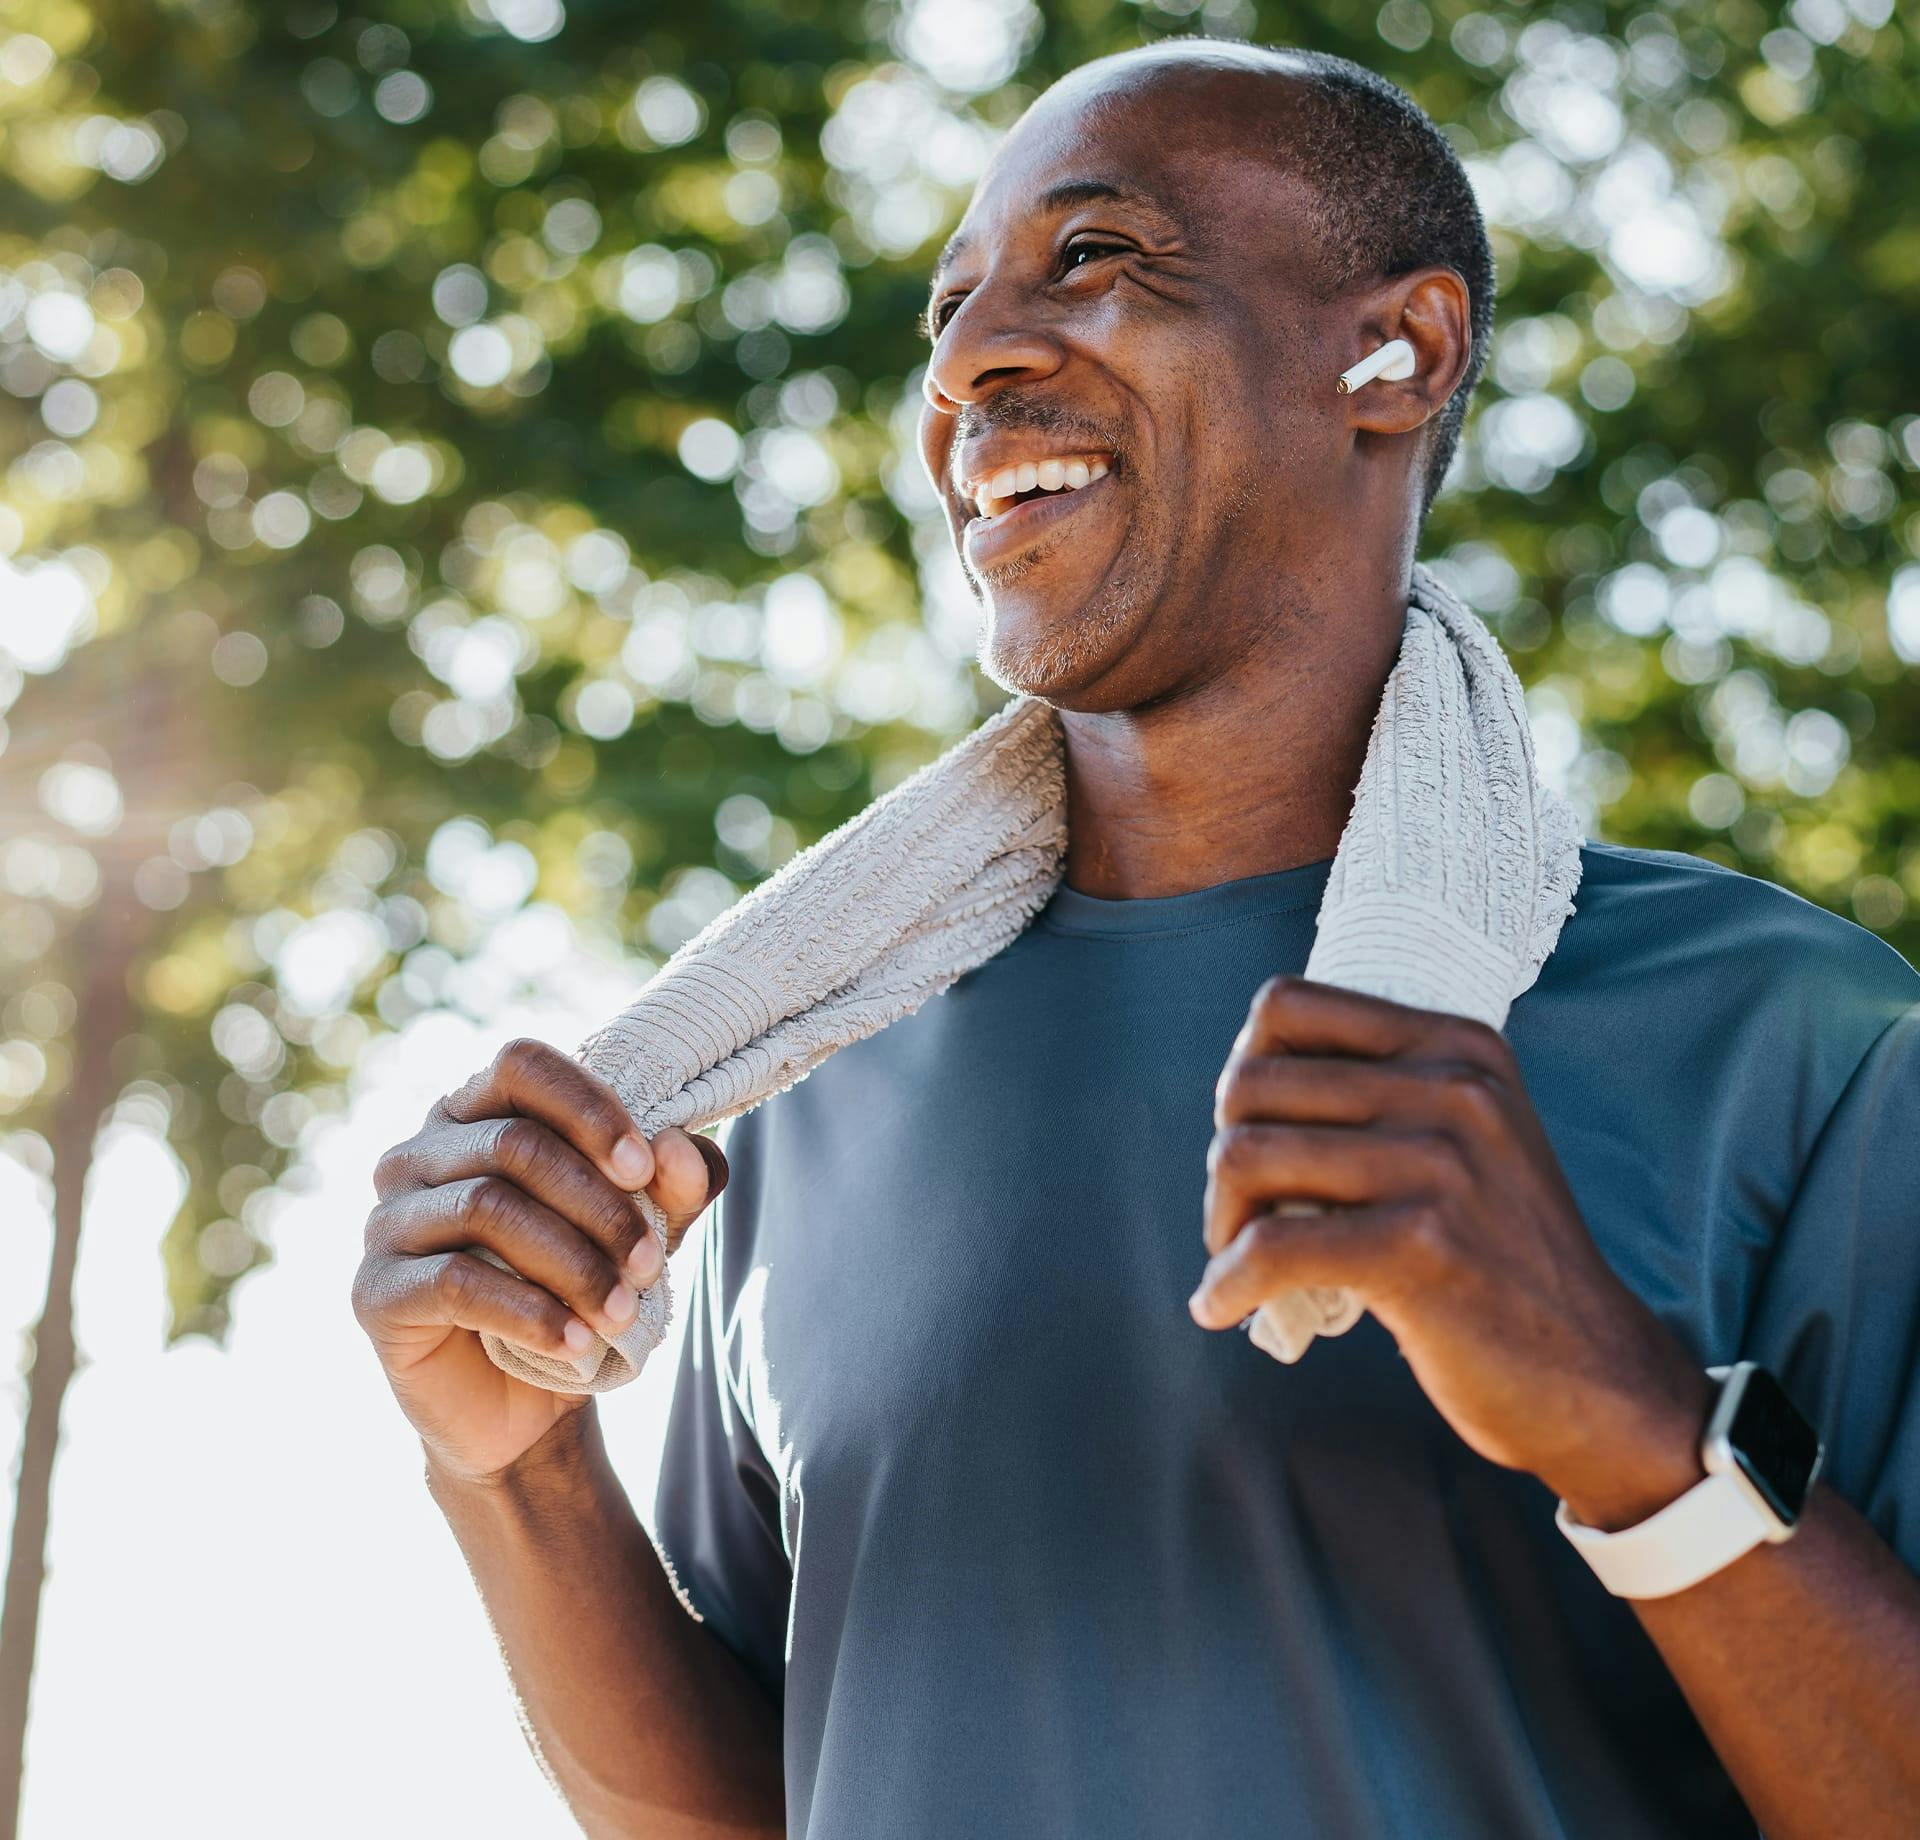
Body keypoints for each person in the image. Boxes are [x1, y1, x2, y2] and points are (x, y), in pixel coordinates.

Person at [351, 39, 1920, 1839]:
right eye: (948, 311)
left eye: (1094, 259)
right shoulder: (795, 1085)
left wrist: (1635, 1424)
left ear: (1396, 353)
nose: (964, 367)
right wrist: (517, 1470)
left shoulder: (1794, 1047)